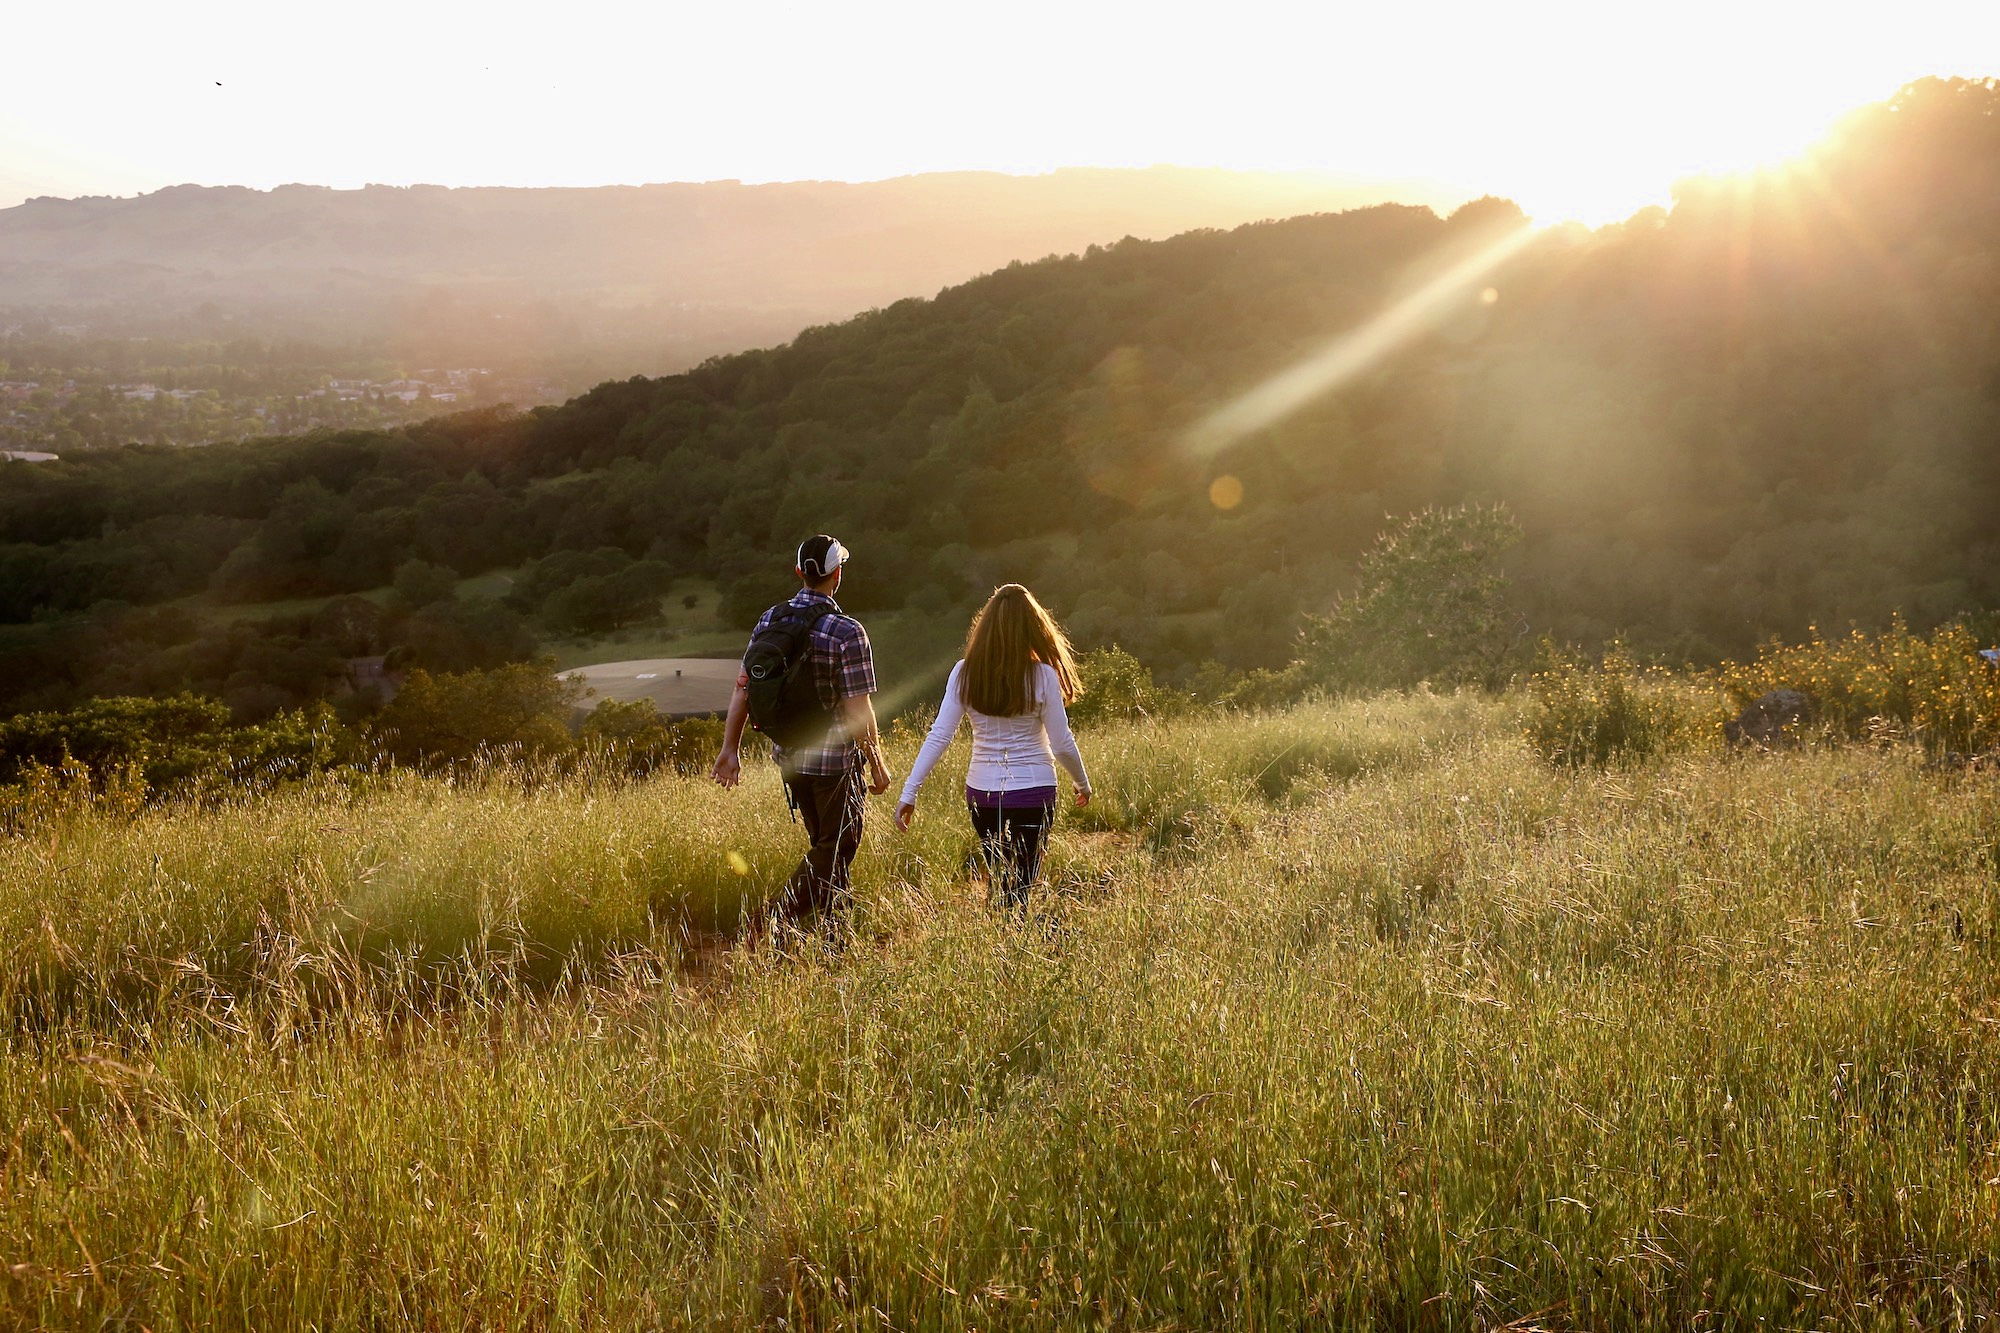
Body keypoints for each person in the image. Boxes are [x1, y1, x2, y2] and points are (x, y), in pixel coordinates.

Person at [711, 535, 892, 936]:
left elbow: (743, 688)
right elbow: (857, 709)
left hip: (789, 758)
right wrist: (877, 763)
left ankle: (834, 939)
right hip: (835, 763)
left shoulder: (769, 620)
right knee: (836, 848)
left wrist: (730, 749)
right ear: (837, 575)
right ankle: (770, 923)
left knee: (825, 847)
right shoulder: (847, 631)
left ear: (799, 573)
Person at [895, 584, 1091, 917]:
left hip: (983, 796)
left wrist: (909, 792)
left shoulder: (964, 673)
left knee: (1001, 877)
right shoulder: (1043, 676)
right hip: (1034, 791)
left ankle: (1001, 933)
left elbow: (939, 736)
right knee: (1021, 884)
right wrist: (1082, 783)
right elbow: (1061, 743)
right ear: (1034, 628)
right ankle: (1012, 936)